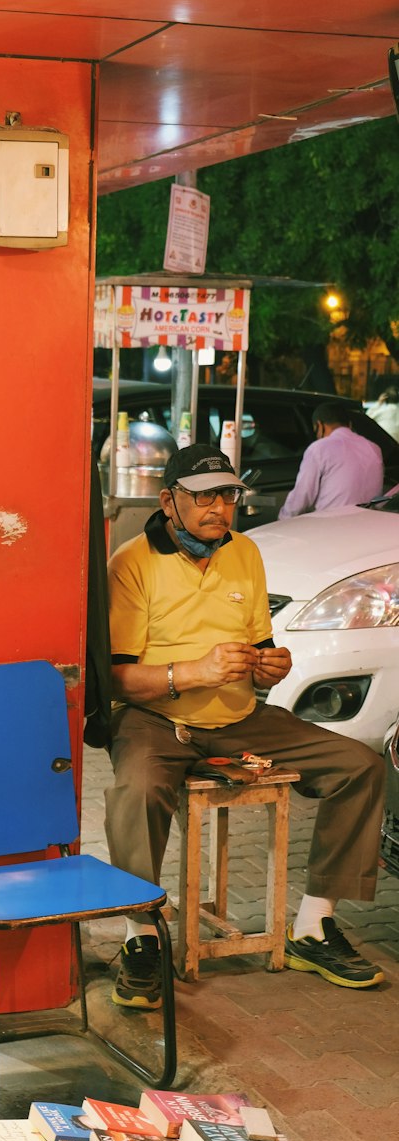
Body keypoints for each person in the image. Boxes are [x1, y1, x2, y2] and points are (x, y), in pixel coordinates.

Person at [105, 443, 385, 1011]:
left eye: (227, 495)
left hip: (238, 716)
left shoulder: (245, 553)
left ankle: (312, 927)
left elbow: (261, 646)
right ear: (169, 500)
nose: (218, 507)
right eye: (203, 495)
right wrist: (191, 672)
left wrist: (270, 665)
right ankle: (139, 937)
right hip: (157, 719)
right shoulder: (132, 562)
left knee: (360, 767)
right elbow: (118, 680)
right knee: (138, 789)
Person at [278, 400, 383, 518]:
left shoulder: (319, 448)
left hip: (331, 526)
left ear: (319, 425)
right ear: (349, 425)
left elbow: (302, 496)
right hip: (368, 524)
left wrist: (282, 521)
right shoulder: (374, 448)